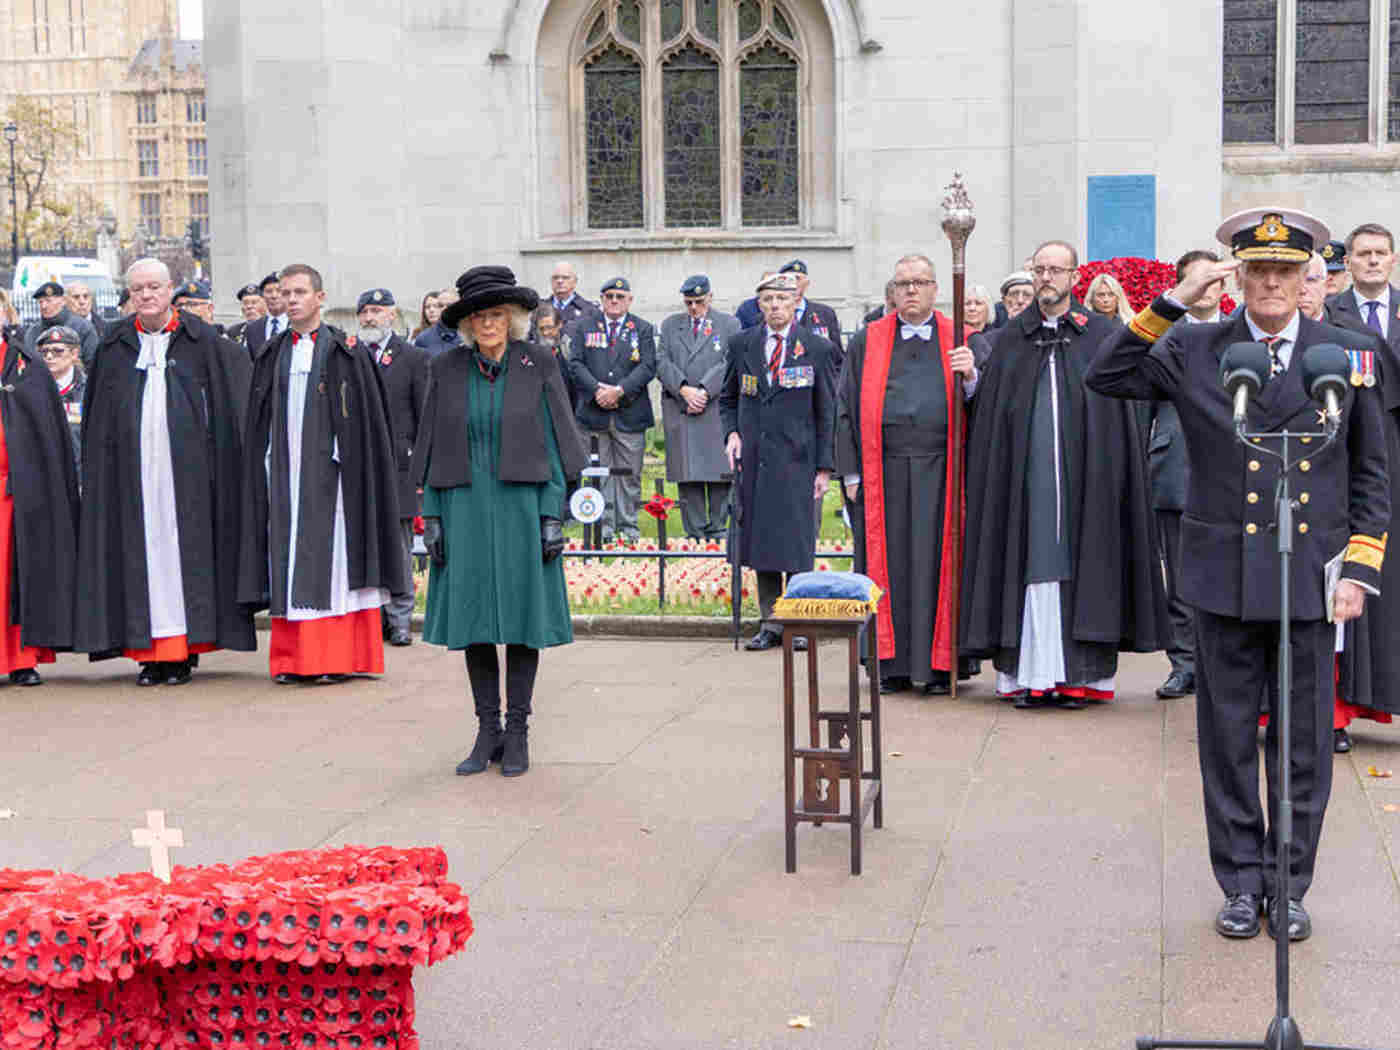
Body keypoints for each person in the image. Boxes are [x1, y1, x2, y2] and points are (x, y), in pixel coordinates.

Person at [1088, 207, 1390, 944]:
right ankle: (1238, 883)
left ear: (1310, 277)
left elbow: (1371, 470)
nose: (1273, 284)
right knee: (1225, 741)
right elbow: (1109, 374)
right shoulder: (1196, 346)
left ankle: (1288, 885)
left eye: (1287, 271)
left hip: (1311, 579)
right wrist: (1175, 297)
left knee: (1303, 745)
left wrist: (1360, 566)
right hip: (1223, 574)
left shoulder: (1346, 351)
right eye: (1258, 271)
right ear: (1240, 277)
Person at [961, 240, 1166, 708]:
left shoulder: (1100, 334)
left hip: (1086, 484)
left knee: (1086, 563)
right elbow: (991, 416)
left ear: (1075, 277)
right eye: (1040, 269)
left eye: (1057, 270)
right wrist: (972, 380)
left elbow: (1119, 413)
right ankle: (1030, 676)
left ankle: (1081, 678)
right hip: (1027, 484)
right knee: (1027, 562)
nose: (1047, 278)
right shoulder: (1009, 340)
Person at [413, 266, 586, 777]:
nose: (487, 324)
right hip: (463, 508)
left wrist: (552, 514)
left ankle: (519, 733)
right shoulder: (446, 368)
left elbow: (558, 443)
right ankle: (487, 729)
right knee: (476, 624)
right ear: (465, 324)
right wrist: (432, 517)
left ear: (511, 319)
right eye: (477, 316)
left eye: (496, 315)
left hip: (522, 508)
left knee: (522, 622)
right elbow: (430, 445)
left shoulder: (539, 362)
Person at [77, 258, 255, 685]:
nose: (146, 295)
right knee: (141, 558)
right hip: (132, 477)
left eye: (154, 287)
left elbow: (230, 408)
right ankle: (149, 653)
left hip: (189, 477)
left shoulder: (203, 341)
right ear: (129, 294)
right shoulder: (113, 345)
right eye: (137, 289)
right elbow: (98, 418)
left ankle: (181, 651)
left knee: (183, 558)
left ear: (170, 289)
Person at [239, 264, 407, 684]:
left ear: (320, 297)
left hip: (334, 480)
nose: (291, 299)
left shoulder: (345, 351)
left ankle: (333, 658)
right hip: (283, 473)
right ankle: (293, 660)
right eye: (285, 292)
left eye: (300, 292)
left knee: (332, 565)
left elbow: (367, 422)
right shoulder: (272, 352)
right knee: (290, 560)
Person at [837, 254, 977, 695]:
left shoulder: (963, 339)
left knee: (939, 563)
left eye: (919, 282)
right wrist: (852, 474)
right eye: (903, 283)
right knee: (889, 563)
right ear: (892, 291)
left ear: (936, 289)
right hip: (884, 471)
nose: (911, 290)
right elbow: (843, 409)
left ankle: (940, 667)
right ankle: (891, 665)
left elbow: (987, 405)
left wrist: (971, 375)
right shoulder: (868, 340)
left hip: (943, 470)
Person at [719, 271, 838, 651]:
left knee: (797, 544)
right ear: (759, 305)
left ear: (795, 303)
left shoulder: (816, 348)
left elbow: (827, 411)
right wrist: (732, 433)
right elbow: (728, 398)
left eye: (782, 300)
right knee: (763, 543)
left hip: (798, 461)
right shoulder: (742, 344)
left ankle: (799, 623)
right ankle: (770, 622)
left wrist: (824, 467)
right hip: (755, 462)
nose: (775, 306)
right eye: (768, 300)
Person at [1318, 223, 1400, 753]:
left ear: (1393, 259)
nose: (1371, 261)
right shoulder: (1332, 314)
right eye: (1362, 254)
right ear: (1347, 263)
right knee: (1351, 579)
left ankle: (1384, 691)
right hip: (1357, 464)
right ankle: (1339, 704)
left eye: (1380, 253)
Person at [1144, 250, 1225, 701]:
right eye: (1194, 281)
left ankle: (1220, 664)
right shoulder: (1163, 337)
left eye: (1211, 281)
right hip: (1175, 466)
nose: (1204, 289)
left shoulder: (1243, 334)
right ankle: (1184, 664)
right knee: (1178, 575)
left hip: (1229, 470)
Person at [0, 325, 80, 686]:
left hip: (15, 490)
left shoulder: (26, 364)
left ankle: (20, 659)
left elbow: (45, 432)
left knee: (14, 579)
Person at [354, 288, 429, 648]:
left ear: (392, 315)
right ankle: (370, 620)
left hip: (400, 464)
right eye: (364, 312)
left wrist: (420, 466)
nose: (370, 317)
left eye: (377, 311)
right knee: (365, 545)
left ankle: (400, 620)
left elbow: (424, 414)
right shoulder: (350, 355)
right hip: (360, 466)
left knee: (399, 547)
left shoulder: (413, 358)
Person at [566, 277, 656, 544]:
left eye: (619, 296)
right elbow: (575, 364)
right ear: (601, 299)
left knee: (629, 474)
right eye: (609, 296)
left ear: (630, 299)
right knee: (599, 472)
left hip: (629, 410)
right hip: (594, 413)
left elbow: (648, 366)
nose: (614, 301)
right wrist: (597, 390)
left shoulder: (643, 328)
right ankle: (603, 524)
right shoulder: (583, 327)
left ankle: (628, 526)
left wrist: (619, 391)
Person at [656, 275, 740, 541]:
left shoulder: (728, 324)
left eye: (699, 301)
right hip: (681, 407)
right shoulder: (671, 325)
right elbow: (660, 360)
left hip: (714, 407)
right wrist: (684, 389)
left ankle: (718, 530)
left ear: (710, 298)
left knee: (718, 473)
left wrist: (704, 390)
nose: (693, 307)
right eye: (689, 302)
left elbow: (730, 361)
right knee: (688, 474)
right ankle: (694, 533)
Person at [36, 326, 85, 470]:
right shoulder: (32, 390)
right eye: (44, 352)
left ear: (74, 353)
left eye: (58, 351)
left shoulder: (89, 390)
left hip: (80, 476)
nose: (49, 357)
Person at [25, 282, 98, 370]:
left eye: (48, 301)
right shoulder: (33, 332)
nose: (44, 306)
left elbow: (93, 365)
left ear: (63, 301)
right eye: (40, 302)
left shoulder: (83, 327)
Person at [243, 272, 289, 361]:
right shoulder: (253, 328)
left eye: (279, 291)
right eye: (268, 292)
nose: (274, 296)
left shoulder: (297, 325)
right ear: (263, 296)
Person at [413, 288, 464, 358]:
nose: (444, 309)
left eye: (449, 305)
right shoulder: (423, 339)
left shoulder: (470, 335)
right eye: (440, 306)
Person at [545, 261, 598, 328]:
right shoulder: (539, 308)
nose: (559, 281)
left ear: (575, 282)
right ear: (551, 281)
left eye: (565, 277)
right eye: (555, 277)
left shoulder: (589, 310)